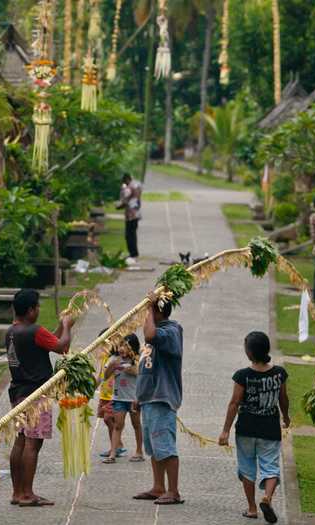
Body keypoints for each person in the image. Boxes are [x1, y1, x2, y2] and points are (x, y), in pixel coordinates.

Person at [6, 289, 74, 507]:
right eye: (37, 307)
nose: (38, 310)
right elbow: (62, 347)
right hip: (36, 393)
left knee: (21, 440)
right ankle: (27, 494)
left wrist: (61, 327)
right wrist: (68, 326)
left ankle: (17, 492)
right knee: (33, 444)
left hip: (18, 392)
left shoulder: (11, 331)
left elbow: (50, 341)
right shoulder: (34, 331)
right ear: (30, 310)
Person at [218, 332, 290, 524]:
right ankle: (267, 497)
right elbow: (283, 399)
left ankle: (251, 509)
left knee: (247, 469)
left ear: (250, 353)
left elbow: (234, 403)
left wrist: (225, 430)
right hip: (270, 430)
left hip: (246, 429)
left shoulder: (243, 375)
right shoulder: (279, 373)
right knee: (271, 467)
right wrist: (286, 417)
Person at [133, 301, 184, 505]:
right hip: (149, 397)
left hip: (162, 397)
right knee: (154, 447)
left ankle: (173, 490)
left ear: (158, 311)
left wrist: (148, 310)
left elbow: (150, 335)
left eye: (149, 310)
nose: (145, 316)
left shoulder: (171, 331)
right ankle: (158, 487)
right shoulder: (155, 332)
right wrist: (139, 395)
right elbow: (146, 367)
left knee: (165, 446)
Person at [102, 333, 144, 464]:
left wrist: (125, 367)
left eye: (126, 346)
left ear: (132, 347)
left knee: (136, 424)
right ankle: (113, 454)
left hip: (134, 398)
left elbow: (138, 372)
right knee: (117, 425)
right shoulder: (114, 359)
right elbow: (106, 376)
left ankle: (139, 451)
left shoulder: (137, 359)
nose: (122, 349)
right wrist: (111, 367)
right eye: (120, 345)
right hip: (119, 397)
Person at [117, 173, 142, 265]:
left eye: (124, 182)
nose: (125, 183)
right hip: (136, 213)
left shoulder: (129, 188)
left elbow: (124, 200)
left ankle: (133, 253)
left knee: (129, 235)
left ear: (127, 179)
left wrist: (118, 206)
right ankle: (134, 253)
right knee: (133, 234)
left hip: (130, 215)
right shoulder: (137, 185)